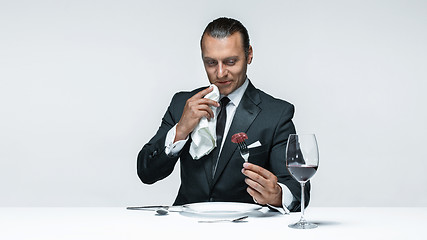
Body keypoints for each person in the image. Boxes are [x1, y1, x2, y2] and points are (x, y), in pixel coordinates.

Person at [137, 17, 309, 212]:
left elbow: (298, 188)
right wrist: (181, 130)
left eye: (230, 61)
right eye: (211, 63)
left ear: (249, 54)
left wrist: (277, 195)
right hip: (186, 226)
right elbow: (146, 172)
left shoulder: (277, 114)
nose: (220, 73)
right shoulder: (181, 104)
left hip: (246, 228)